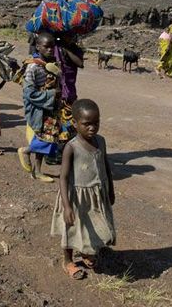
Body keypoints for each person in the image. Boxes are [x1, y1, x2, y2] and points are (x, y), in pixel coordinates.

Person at [50, 98, 116, 280]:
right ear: (74, 123)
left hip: (96, 194)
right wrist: (67, 206)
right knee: (71, 229)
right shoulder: (71, 148)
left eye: (96, 123)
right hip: (76, 197)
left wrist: (111, 190)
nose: (92, 128)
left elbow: (106, 166)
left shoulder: (101, 142)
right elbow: (63, 177)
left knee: (95, 224)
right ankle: (68, 260)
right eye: (87, 124)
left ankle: (88, 251)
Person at [18, 32, 60, 182]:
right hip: (40, 109)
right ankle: (26, 150)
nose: (50, 50)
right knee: (46, 138)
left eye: (52, 47)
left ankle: (37, 171)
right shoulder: (33, 67)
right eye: (46, 47)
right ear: (38, 46)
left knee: (47, 137)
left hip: (51, 108)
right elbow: (29, 93)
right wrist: (51, 94)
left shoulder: (52, 65)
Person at [55, 33, 85, 150]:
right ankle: (56, 151)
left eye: (73, 36)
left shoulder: (75, 50)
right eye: (68, 35)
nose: (71, 37)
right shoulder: (54, 47)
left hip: (69, 92)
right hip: (55, 92)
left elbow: (80, 63)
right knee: (54, 123)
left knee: (70, 123)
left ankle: (66, 150)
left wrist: (66, 49)